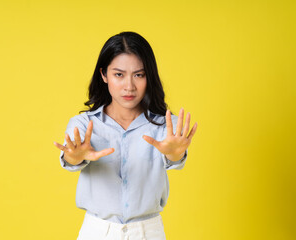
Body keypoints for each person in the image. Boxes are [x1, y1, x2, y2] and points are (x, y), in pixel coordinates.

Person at [53, 31, 198, 240]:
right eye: (119, 74)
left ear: (149, 76)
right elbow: (71, 158)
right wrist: (75, 157)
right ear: (104, 75)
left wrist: (175, 155)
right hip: (97, 232)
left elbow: (174, 157)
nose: (129, 86)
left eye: (139, 74)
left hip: (148, 233)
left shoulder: (165, 126)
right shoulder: (84, 125)